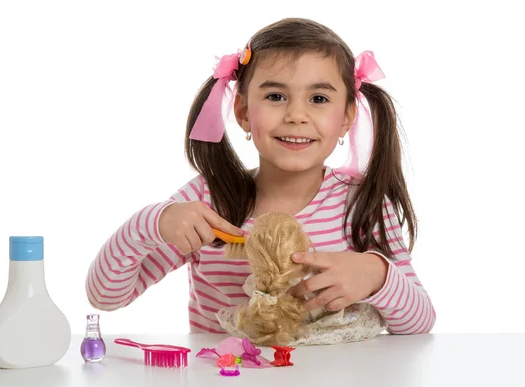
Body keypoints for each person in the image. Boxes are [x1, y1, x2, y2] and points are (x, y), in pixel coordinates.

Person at [85, 17, 436, 336]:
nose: (296, 115)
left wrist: (377, 275)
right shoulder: (209, 202)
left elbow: (420, 324)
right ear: (242, 112)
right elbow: (105, 296)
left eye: (318, 98)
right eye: (275, 96)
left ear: (346, 117)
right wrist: (152, 223)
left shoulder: (361, 203)